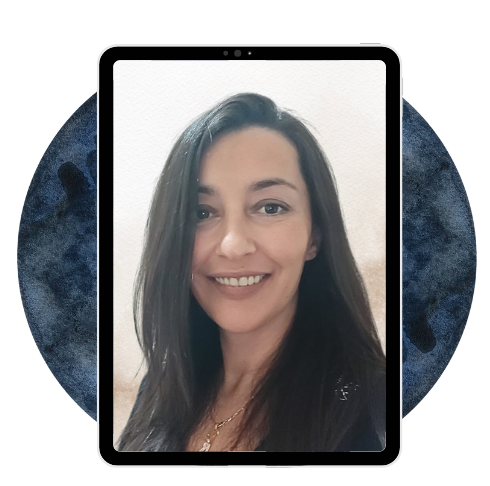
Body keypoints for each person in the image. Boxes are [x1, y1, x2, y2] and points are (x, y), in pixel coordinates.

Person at [117, 93, 386, 452]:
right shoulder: (161, 387)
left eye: (270, 207)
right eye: (202, 213)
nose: (233, 245)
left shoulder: (377, 411)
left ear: (315, 236)